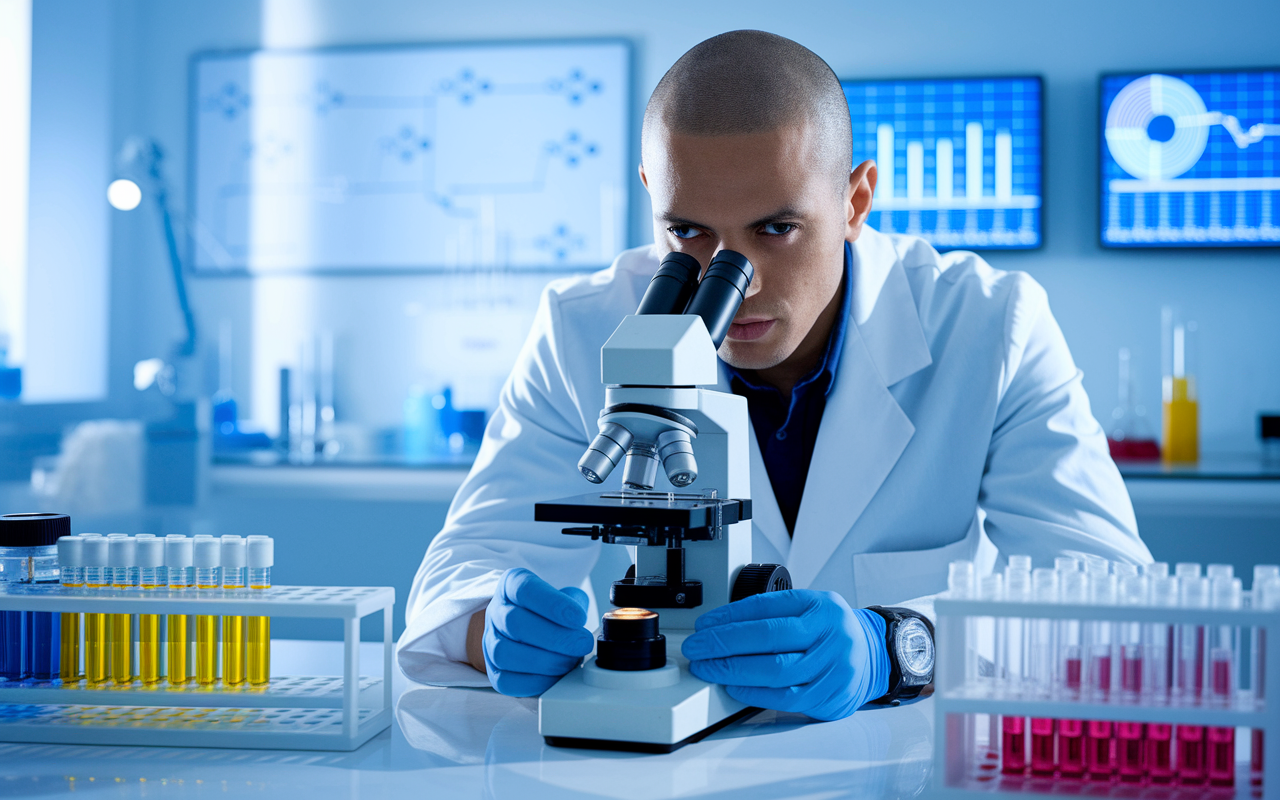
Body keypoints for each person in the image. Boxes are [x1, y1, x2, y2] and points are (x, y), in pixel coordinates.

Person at [397, 30, 1150, 720]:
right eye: (688, 230)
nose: (738, 280)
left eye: (776, 229)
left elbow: (1112, 603)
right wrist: (490, 624)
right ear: (652, 200)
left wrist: (897, 648)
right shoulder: (583, 324)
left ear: (855, 200)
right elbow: (467, 568)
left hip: (909, 757)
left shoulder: (989, 324)